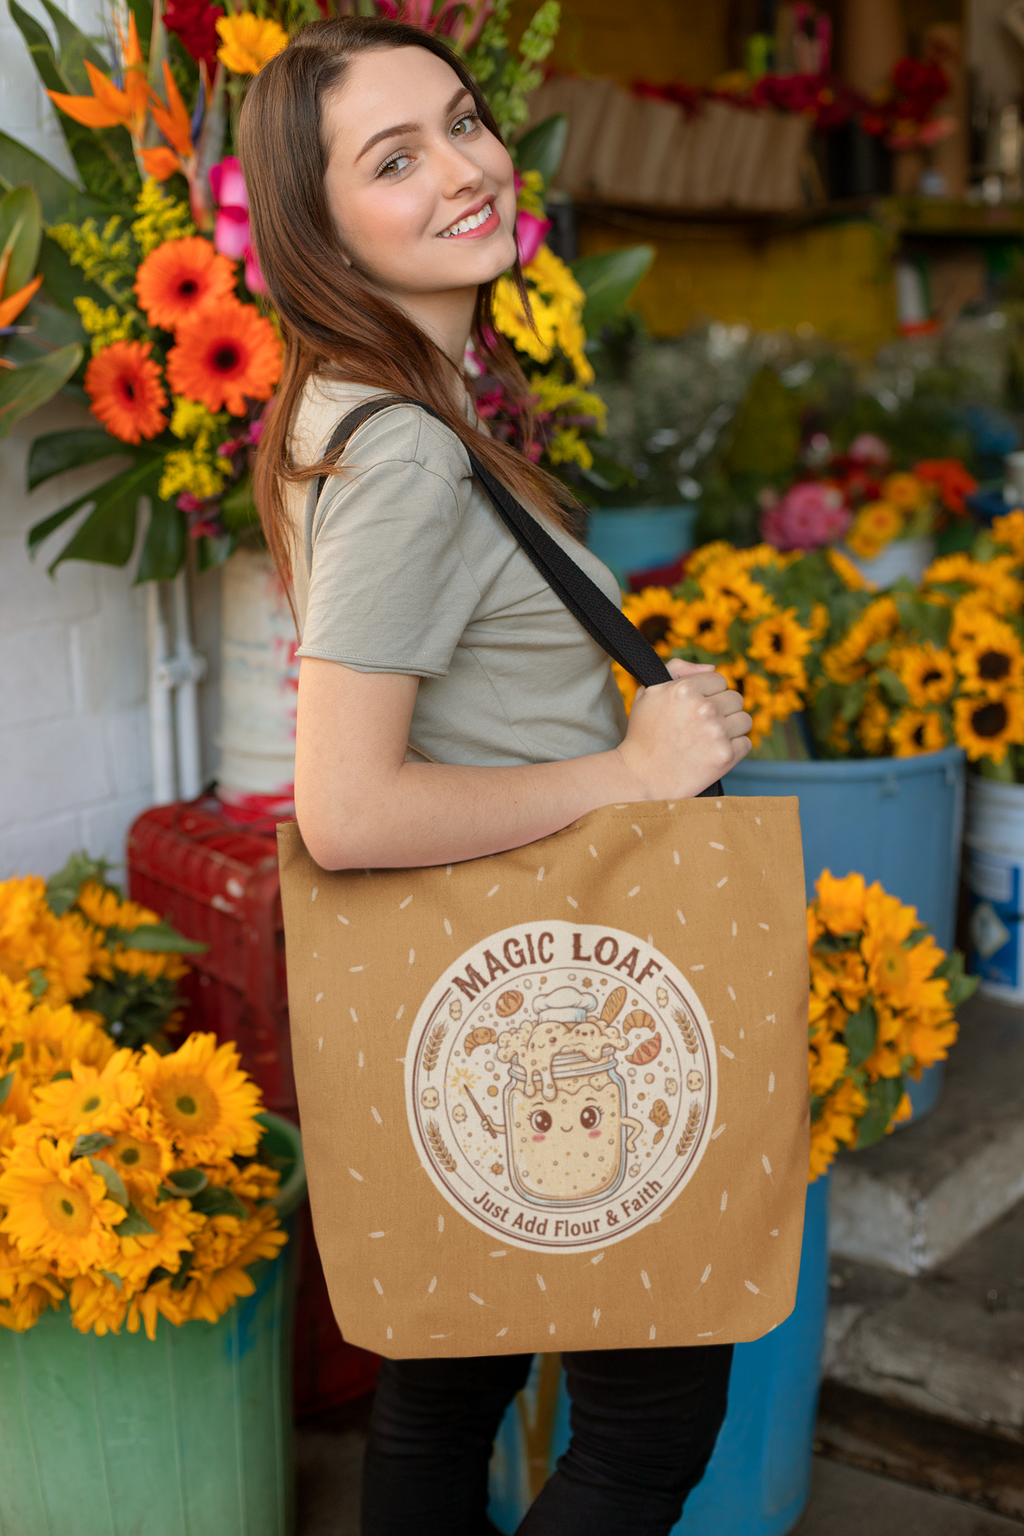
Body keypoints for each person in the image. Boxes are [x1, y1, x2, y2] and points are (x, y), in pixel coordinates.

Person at [239, 19, 752, 1536]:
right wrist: (631, 767)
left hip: (481, 988)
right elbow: (348, 807)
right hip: (544, 1000)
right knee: (651, 1425)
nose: (467, 168)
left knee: (447, 1391)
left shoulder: (367, 411)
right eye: (395, 159)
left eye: (464, 123)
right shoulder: (400, 449)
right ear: (318, 224)